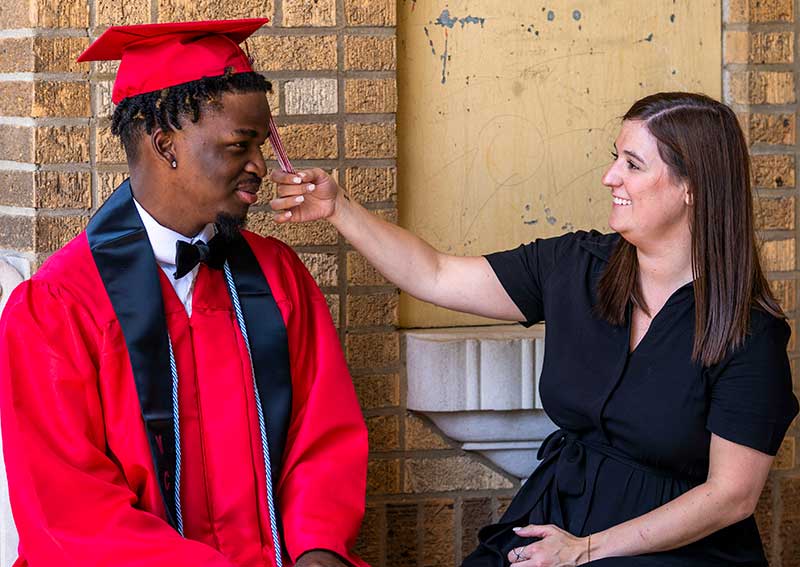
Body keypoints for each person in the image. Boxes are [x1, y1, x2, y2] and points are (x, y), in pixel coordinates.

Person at [269, 92, 799, 566]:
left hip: (671, 548)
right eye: (615, 157)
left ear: (693, 189)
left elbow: (731, 495)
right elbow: (434, 273)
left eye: (633, 164)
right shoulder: (576, 264)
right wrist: (340, 208)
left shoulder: (748, 331)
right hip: (555, 519)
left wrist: (586, 550)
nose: (610, 176)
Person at [0, 18, 369, 567]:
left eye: (261, 145)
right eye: (238, 145)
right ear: (165, 144)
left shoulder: (278, 277)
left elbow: (324, 440)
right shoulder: (60, 307)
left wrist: (319, 551)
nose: (260, 167)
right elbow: (72, 513)